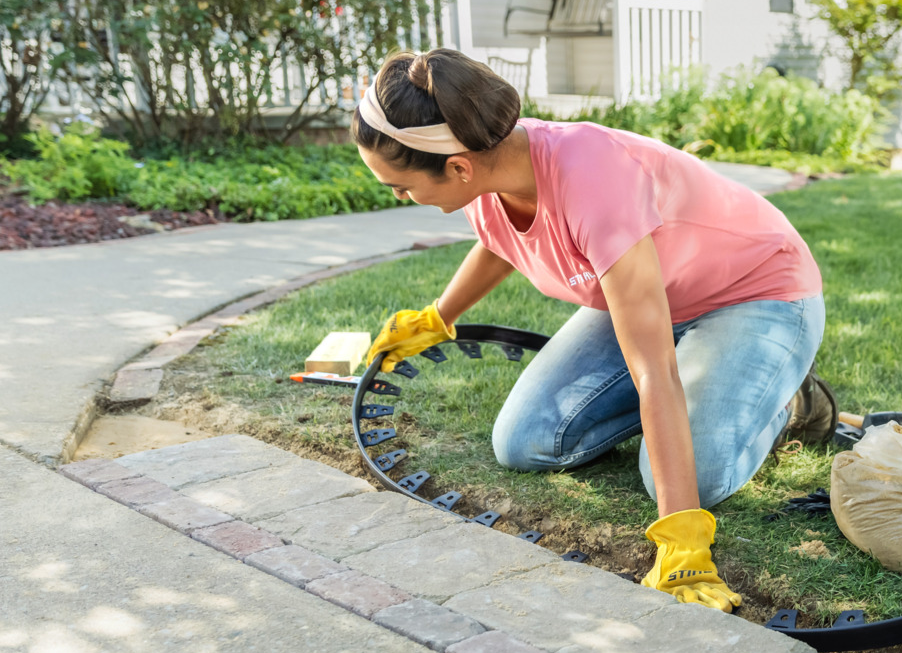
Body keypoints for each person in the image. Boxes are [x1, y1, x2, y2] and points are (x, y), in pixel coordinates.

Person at [352, 48, 835, 611]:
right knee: (524, 441)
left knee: (685, 482)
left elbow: (652, 369)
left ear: (458, 167)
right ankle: (711, 382)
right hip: (647, 294)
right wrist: (439, 316)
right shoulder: (488, 163)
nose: (399, 197)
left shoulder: (593, 180)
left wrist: (681, 538)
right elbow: (500, 241)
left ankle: (789, 401)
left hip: (756, 293)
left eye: (401, 187)